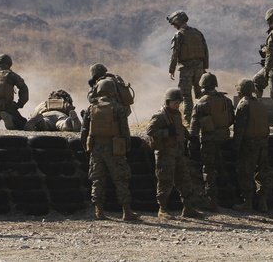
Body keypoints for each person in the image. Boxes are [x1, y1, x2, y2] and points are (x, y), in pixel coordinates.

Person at [81, 78, 139, 221]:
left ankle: (99, 211)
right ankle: (126, 211)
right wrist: (126, 146)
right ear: (113, 91)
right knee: (121, 179)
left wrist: (87, 147)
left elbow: (84, 131)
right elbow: (125, 131)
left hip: (96, 149)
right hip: (115, 148)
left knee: (97, 180)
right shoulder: (118, 108)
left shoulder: (91, 108)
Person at [146, 88, 202, 219]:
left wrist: (189, 136)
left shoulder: (176, 114)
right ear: (167, 102)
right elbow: (150, 130)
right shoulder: (160, 116)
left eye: (179, 102)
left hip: (177, 152)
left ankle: (188, 207)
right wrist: (166, 133)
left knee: (184, 180)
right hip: (165, 154)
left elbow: (179, 128)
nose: (177, 105)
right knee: (165, 181)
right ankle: (162, 208)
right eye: (174, 102)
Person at [189, 72, 234, 212]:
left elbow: (194, 128)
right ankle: (230, 198)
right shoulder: (226, 100)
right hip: (225, 138)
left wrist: (191, 143)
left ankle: (212, 201)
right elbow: (232, 119)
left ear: (202, 87)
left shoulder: (202, 103)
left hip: (209, 140)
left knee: (209, 170)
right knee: (224, 168)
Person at [231, 79, 272, 212]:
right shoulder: (260, 104)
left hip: (249, 143)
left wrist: (235, 147)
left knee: (245, 172)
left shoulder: (244, 106)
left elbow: (239, 130)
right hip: (263, 143)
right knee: (262, 173)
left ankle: (247, 202)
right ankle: (263, 202)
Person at [166, 11, 209, 123]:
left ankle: (189, 118)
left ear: (177, 22)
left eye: (174, 24)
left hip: (186, 68)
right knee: (201, 92)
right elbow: (205, 50)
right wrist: (205, 66)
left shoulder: (179, 35)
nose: (174, 26)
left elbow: (175, 53)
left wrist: (172, 69)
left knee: (186, 94)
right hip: (200, 67)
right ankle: (204, 116)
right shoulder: (197, 33)